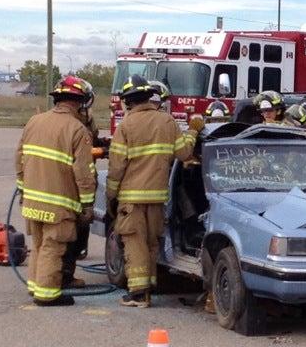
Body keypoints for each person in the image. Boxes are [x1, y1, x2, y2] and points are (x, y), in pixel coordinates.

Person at [107, 74, 204, 307]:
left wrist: (111, 195)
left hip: (131, 197)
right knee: (151, 242)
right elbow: (184, 153)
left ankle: (138, 294)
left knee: (134, 242)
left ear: (128, 101)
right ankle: (149, 287)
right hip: (158, 196)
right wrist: (193, 132)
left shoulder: (126, 125)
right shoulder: (167, 121)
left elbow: (116, 166)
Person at [15, 75, 97, 306]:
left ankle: (35, 285)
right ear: (80, 102)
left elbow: (19, 159)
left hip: (32, 201)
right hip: (59, 204)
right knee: (53, 246)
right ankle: (47, 294)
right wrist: (87, 204)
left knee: (39, 245)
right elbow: (84, 172)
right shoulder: (77, 129)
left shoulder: (34, 121)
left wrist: (23, 190)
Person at [61, 87, 110, 289]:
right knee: (68, 233)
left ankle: (64, 273)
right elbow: (83, 157)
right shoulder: (72, 124)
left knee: (76, 232)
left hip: (76, 183)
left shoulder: (85, 119)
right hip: (74, 184)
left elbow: (92, 140)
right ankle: (64, 275)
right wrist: (99, 151)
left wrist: (103, 143)